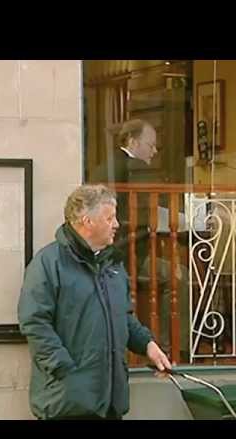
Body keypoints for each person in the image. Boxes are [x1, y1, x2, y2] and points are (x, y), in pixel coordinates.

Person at [17, 184, 172, 420]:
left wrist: (147, 345)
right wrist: (64, 370)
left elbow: (124, 317)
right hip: (67, 404)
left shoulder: (113, 265)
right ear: (87, 221)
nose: (116, 224)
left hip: (111, 402)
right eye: (109, 218)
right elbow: (34, 323)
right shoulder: (48, 263)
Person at [96, 119, 190, 358]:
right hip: (128, 255)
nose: (154, 151)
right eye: (151, 145)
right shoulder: (135, 168)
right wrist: (188, 220)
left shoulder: (106, 166)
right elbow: (152, 208)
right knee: (179, 276)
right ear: (133, 142)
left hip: (116, 252)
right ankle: (171, 347)